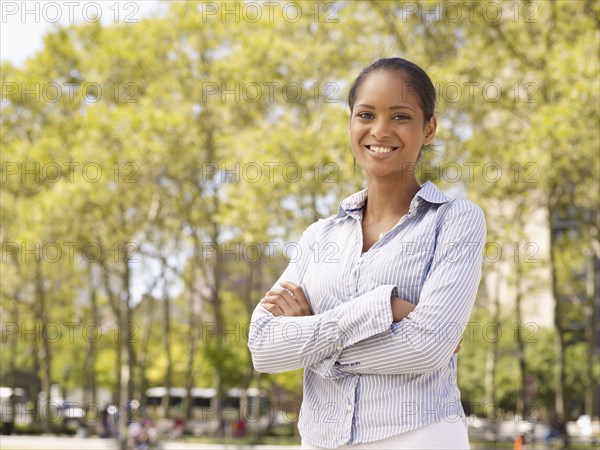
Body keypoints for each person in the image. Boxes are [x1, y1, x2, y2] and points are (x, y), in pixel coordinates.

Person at [248, 57, 486, 449]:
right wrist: (385, 307)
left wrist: (315, 344)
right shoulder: (318, 236)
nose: (380, 130)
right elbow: (264, 347)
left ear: (429, 128)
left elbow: (427, 347)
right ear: (351, 124)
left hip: (418, 437)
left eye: (400, 116)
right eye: (366, 114)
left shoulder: (455, 220)